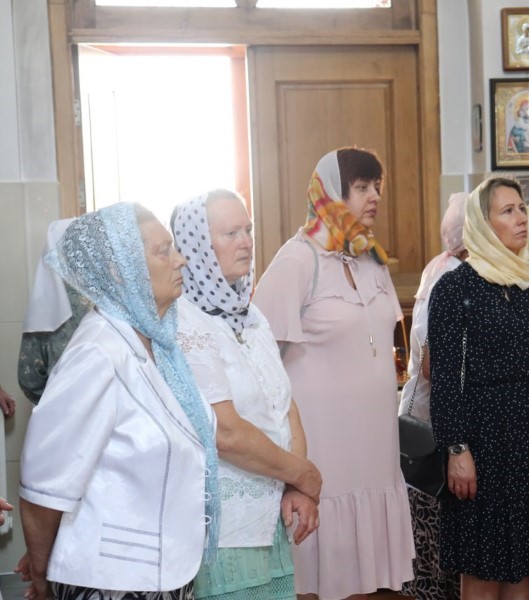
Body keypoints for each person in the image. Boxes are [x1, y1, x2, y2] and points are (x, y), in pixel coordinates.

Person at [17, 203, 218, 600]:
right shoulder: (97, 353)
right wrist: (41, 579)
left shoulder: (159, 348)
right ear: (119, 269)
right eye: (163, 251)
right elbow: (44, 487)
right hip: (112, 580)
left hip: (165, 573)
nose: (180, 260)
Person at [253, 148, 415, 599]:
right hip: (325, 443)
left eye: (377, 187)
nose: (374, 196)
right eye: (361, 187)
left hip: (374, 445)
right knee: (318, 578)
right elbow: (257, 356)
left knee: (366, 580)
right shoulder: (298, 259)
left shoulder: (372, 257)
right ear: (329, 193)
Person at [427, 177, 529, 600]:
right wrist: (457, 449)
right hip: (484, 442)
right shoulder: (454, 289)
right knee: (483, 568)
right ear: (483, 223)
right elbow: (445, 379)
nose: (521, 218)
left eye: (521, 208)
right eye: (507, 211)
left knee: (527, 569)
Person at [171, 190, 322, 600]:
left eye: (248, 230)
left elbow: (283, 404)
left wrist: (295, 486)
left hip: (271, 517)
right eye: (230, 233)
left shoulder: (252, 316)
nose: (246, 242)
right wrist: (301, 474)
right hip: (226, 531)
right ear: (197, 246)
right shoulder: (185, 321)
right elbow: (225, 433)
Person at [399, 191, 467, 600]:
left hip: (427, 417)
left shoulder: (438, 265)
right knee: (436, 539)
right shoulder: (452, 275)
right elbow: (432, 364)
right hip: (436, 424)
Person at [18, 218, 93, 404]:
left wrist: (55, 400)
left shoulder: (43, 307)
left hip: (61, 411)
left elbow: (29, 380)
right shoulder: (114, 296)